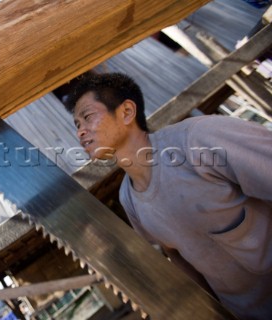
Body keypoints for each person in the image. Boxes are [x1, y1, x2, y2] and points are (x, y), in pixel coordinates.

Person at [65, 72, 272, 320]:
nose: (81, 132)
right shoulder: (128, 199)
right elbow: (182, 263)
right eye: (77, 125)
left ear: (127, 112)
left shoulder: (197, 140)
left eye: (87, 117)